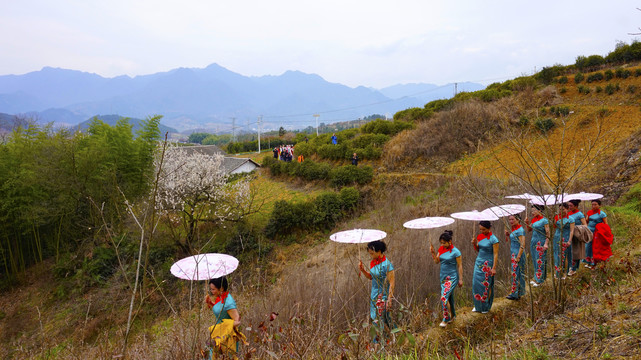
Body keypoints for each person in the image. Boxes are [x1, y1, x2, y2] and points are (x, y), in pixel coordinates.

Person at [430, 230, 463, 327]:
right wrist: (433, 252)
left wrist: (460, 279)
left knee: (443, 297)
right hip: (443, 277)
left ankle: (446, 318)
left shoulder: (456, 252)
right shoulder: (441, 249)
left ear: (450, 241)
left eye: (444, 243)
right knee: (449, 297)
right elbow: (436, 261)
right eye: (441, 243)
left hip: (452, 277)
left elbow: (460, 266)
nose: (442, 244)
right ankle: (453, 316)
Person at [359, 240, 395, 328]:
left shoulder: (387, 265)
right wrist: (363, 270)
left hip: (383, 295)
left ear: (379, 251)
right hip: (374, 295)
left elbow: (392, 282)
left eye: (372, 253)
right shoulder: (373, 262)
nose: (370, 256)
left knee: (382, 318)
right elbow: (371, 277)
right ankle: (378, 340)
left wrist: (389, 298)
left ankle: (386, 338)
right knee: (375, 318)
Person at [205, 277, 242, 357]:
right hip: (219, 335)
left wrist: (223, 327)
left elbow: (237, 321)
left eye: (213, 289)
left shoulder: (228, 303)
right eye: (211, 289)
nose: (211, 292)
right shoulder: (221, 297)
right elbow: (221, 311)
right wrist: (211, 303)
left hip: (227, 337)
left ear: (221, 288)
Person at [471, 221, 498, 313]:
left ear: (489, 228)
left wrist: (494, 267)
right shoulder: (479, 237)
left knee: (486, 284)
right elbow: (478, 250)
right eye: (480, 229)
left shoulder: (494, 239)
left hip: (488, 263)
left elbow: (495, 254)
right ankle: (477, 306)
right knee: (476, 284)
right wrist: (474, 244)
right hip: (479, 262)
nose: (482, 231)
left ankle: (485, 307)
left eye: (484, 229)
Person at [525, 205, 550, 286]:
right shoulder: (534, 220)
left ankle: (540, 280)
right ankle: (537, 278)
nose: (532, 213)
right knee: (535, 260)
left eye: (534, 211)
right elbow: (529, 230)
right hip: (533, 242)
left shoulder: (544, 220)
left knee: (540, 260)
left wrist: (546, 243)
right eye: (531, 211)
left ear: (539, 210)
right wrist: (527, 223)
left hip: (541, 242)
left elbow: (548, 233)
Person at [505, 215, 526, 300]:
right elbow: (513, 241)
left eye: (512, 219)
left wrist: (518, 256)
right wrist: (508, 234)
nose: (511, 221)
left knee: (516, 273)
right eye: (509, 219)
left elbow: (522, 244)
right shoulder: (514, 230)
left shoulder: (520, 230)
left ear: (518, 220)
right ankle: (519, 293)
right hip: (513, 253)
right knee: (516, 272)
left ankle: (515, 294)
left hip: (518, 254)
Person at [553, 203, 575, 279]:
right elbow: (554, 227)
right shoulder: (557, 217)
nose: (561, 211)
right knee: (557, 255)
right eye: (560, 209)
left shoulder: (571, 219)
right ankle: (557, 273)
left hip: (565, 238)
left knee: (564, 255)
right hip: (556, 238)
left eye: (563, 209)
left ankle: (564, 272)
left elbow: (572, 231)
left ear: (567, 209)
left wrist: (569, 240)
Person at [587, 199, 611, 265]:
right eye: (592, 205)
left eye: (595, 205)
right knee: (588, 246)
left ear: (599, 205)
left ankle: (596, 261)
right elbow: (587, 221)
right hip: (589, 231)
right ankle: (589, 261)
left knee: (596, 247)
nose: (593, 206)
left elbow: (606, 224)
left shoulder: (602, 214)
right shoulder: (589, 212)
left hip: (597, 232)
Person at [567, 199, 587, 275]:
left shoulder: (580, 214)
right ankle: (571, 267)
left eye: (571, 206)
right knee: (570, 251)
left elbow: (585, 225)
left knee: (575, 251)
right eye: (568, 206)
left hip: (576, 234)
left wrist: (577, 229)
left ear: (576, 206)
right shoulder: (568, 214)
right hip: (569, 234)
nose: (569, 207)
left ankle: (574, 268)